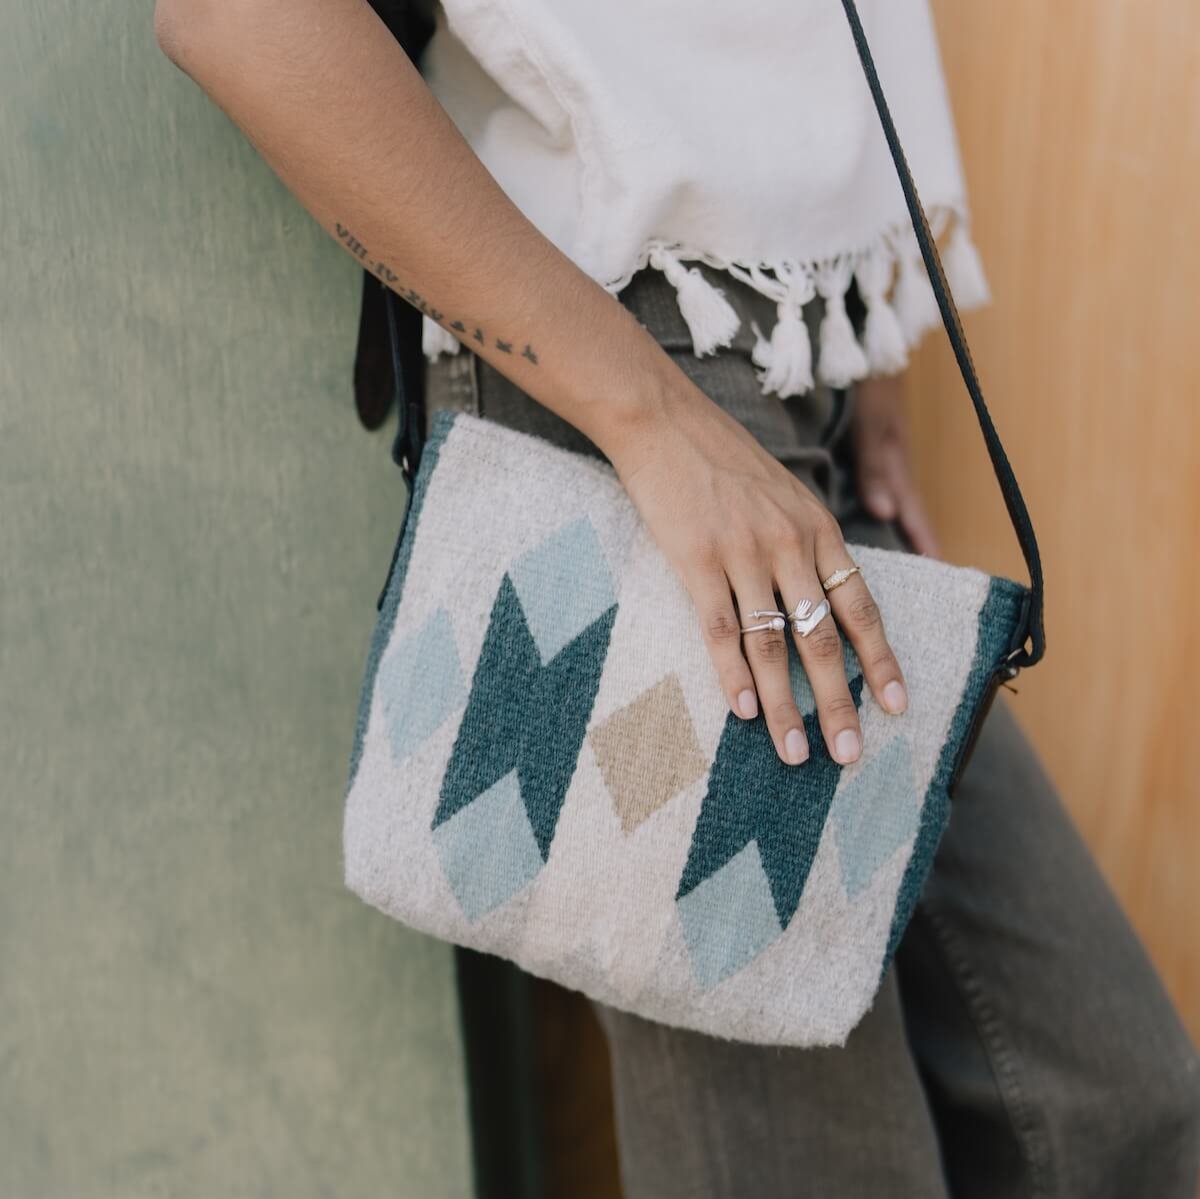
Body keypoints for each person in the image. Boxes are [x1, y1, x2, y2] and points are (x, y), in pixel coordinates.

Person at [153, 0, 1200, 1194]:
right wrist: (653, 422)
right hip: (625, 373)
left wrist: (861, 329)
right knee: (818, 1163)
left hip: (799, 378)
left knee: (1110, 1104)